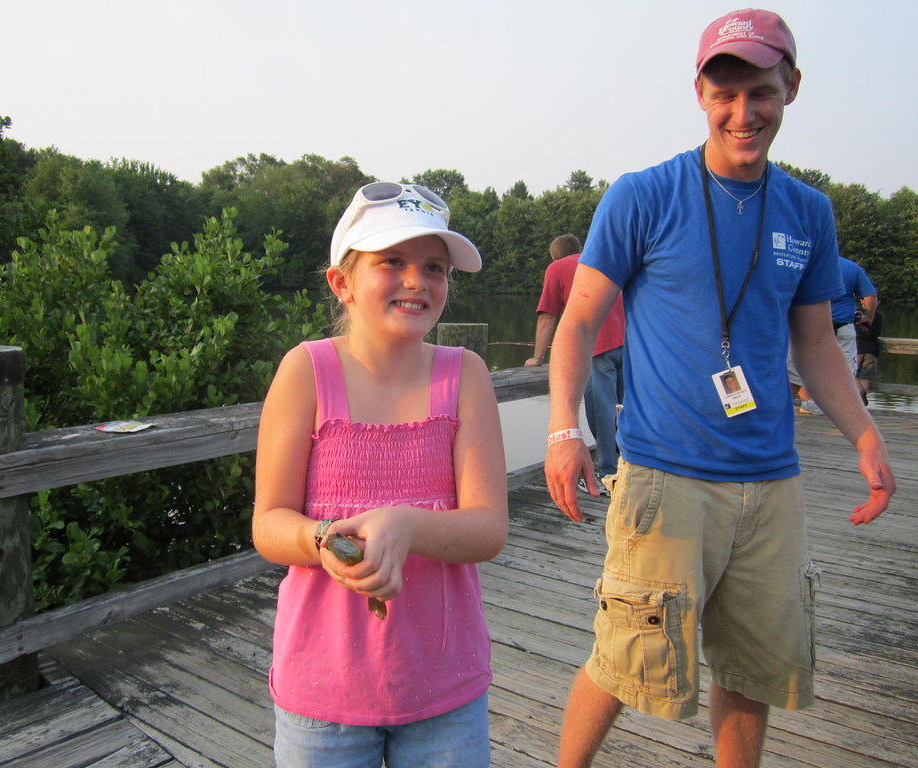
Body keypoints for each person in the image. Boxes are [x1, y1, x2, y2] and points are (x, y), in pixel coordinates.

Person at [542, 9, 896, 768]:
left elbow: (814, 343)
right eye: (725, 92)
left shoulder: (810, 212)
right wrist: (564, 430)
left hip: (772, 482)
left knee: (753, 669)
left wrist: (865, 434)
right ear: (699, 93)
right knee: (621, 657)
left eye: (761, 92)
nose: (744, 112)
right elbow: (576, 326)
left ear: (790, 89)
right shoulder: (643, 196)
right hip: (664, 478)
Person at [253, 181, 508, 768]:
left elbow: (489, 528)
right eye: (392, 261)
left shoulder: (465, 374)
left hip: (445, 684)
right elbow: (268, 524)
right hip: (322, 691)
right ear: (341, 282)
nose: (418, 281)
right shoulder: (305, 370)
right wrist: (321, 540)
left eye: (435, 267)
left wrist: (406, 526)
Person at [524, 234, 625, 495]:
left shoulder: (557, 267)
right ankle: (632, 468)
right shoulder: (600, 260)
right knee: (626, 409)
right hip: (629, 343)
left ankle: (607, 474)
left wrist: (537, 357)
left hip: (596, 346)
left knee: (600, 411)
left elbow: (548, 316)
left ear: (554, 255)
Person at [793, 256, 877, 414]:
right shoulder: (852, 268)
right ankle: (844, 405)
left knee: (806, 365)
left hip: (812, 325)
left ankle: (809, 403)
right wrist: (869, 317)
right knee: (846, 367)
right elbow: (870, 296)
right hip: (843, 326)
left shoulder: (806, 265)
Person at [855, 296, 883, 405]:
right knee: (865, 376)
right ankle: (861, 402)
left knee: (851, 374)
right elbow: (876, 332)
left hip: (857, 348)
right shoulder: (878, 316)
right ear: (878, 302)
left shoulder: (856, 313)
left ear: (862, 301)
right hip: (872, 349)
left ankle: (859, 392)